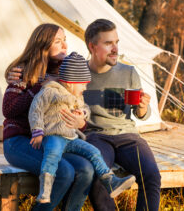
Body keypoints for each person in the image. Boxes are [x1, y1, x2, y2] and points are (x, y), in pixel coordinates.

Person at [60, 19, 161, 211]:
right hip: (96, 136)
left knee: (152, 175)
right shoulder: (77, 74)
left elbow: (141, 114)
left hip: (128, 136)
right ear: (92, 46)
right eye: (108, 43)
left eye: (116, 42)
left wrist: (142, 108)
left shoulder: (128, 72)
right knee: (99, 181)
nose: (115, 48)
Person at [2, 24, 94, 211]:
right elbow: (9, 109)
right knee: (64, 172)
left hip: (53, 140)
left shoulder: (67, 71)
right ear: (43, 45)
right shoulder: (23, 71)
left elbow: (77, 108)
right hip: (19, 141)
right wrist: (40, 86)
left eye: (65, 40)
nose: (65, 46)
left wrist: (80, 122)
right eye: (58, 41)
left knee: (86, 170)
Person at [29, 52, 136, 204]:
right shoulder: (50, 91)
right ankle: (45, 191)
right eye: (83, 84)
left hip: (71, 138)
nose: (85, 87)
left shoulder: (77, 97)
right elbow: (36, 110)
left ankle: (110, 181)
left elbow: (86, 108)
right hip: (53, 135)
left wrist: (83, 113)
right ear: (71, 82)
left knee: (93, 151)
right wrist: (37, 131)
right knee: (52, 155)